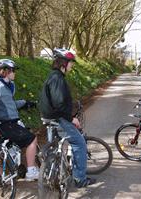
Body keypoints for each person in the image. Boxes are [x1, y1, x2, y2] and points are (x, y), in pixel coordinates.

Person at [39, 48, 96, 188]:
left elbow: (60, 100)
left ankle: (55, 166)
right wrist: (71, 119)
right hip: (58, 118)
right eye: (71, 62)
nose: (72, 65)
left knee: (59, 144)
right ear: (63, 63)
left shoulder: (53, 76)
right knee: (79, 143)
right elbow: (59, 103)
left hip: (48, 117)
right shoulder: (58, 78)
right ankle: (80, 179)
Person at [0, 59, 39, 181]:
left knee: (3, 150)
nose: (14, 73)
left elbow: (9, 105)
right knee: (32, 139)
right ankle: (31, 171)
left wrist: (25, 103)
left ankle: (3, 178)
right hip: (7, 124)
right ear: (5, 71)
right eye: (13, 70)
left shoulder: (6, 86)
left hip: (3, 124)